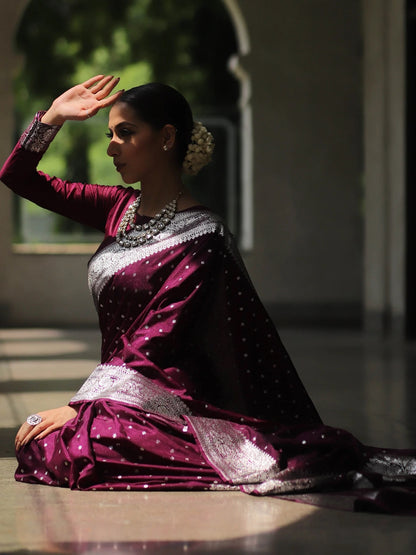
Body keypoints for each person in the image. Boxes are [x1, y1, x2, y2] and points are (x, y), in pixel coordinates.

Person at [1, 75, 416, 513]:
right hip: (121, 394)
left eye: (125, 133)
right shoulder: (115, 208)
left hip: (175, 398)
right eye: (109, 135)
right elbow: (17, 177)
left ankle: (230, 452)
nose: (111, 148)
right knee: (47, 446)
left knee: (78, 446)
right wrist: (51, 118)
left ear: (165, 138)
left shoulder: (204, 236)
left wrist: (79, 405)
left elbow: (156, 340)